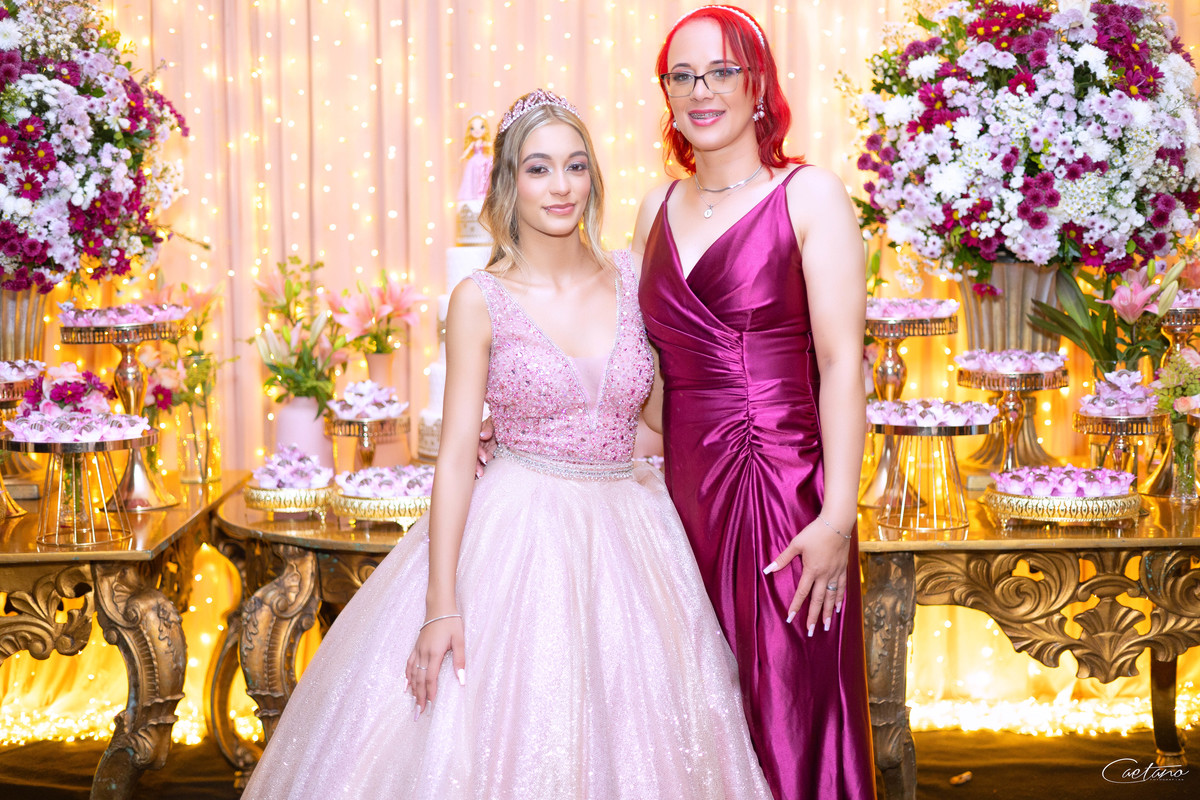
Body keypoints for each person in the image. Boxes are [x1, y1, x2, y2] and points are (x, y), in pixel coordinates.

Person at [242, 89, 772, 799]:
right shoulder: (480, 299)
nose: (561, 186)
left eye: (575, 166)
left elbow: (656, 421)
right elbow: (456, 456)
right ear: (507, 183)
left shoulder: (633, 276)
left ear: (593, 178)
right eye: (539, 168)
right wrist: (441, 605)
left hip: (634, 530)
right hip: (520, 529)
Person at [633, 6, 875, 800]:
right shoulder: (653, 209)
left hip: (781, 492)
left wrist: (836, 519)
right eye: (682, 75)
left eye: (721, 71)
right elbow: (642, 375)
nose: (701, 90)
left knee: (786, 708)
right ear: (667, 94)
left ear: (758, 85)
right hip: (674, 500)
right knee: (687, 717)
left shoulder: (809, 196)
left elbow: (841, 366)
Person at [457, 113, 493, 202]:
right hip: (474, 161)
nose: (477, 131)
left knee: (483, 176)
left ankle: (483, 194)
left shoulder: (483, 143)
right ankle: (473, 194)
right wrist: (463, 157)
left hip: (483, 161)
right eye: (473, 128)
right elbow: (468, 150)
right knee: (472, 177)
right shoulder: (473, 143)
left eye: (481, 127)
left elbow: (490, 145)